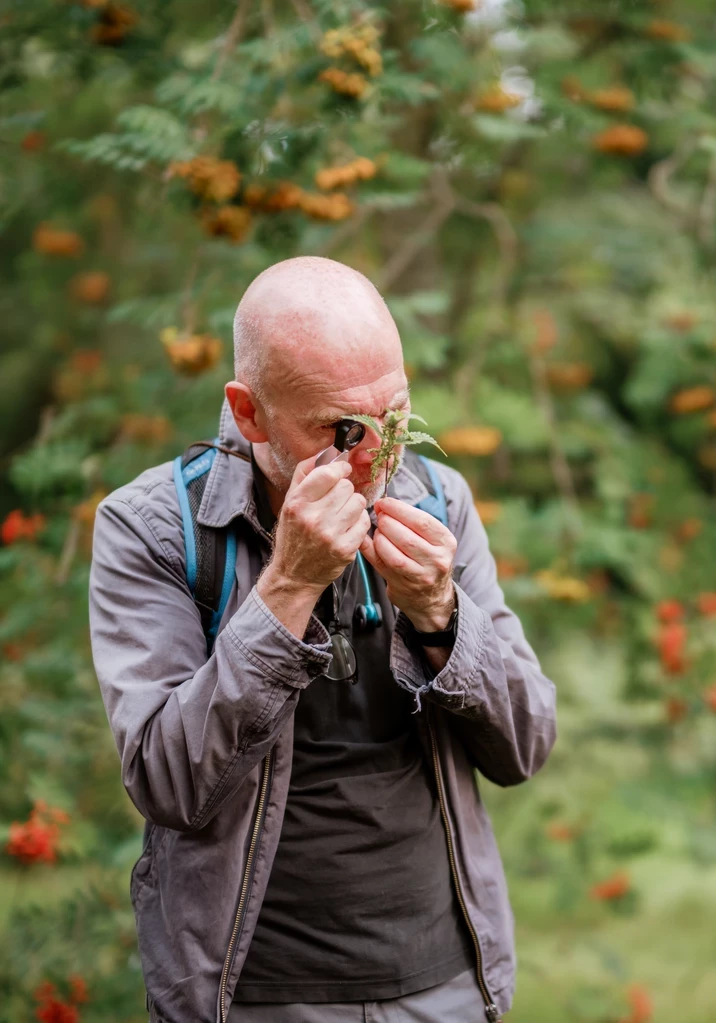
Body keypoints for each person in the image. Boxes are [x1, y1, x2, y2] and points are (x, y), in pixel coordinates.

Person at [88, 257, 556, 1023]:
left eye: (394, 420)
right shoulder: (154, 527)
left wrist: (441, 612)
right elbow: (167, 780)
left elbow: (526, 743)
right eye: (343, 431)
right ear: (250, 413)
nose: (375, 458)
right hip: (253, 995)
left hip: (443, 987)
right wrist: (287, 587)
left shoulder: (439, 502)